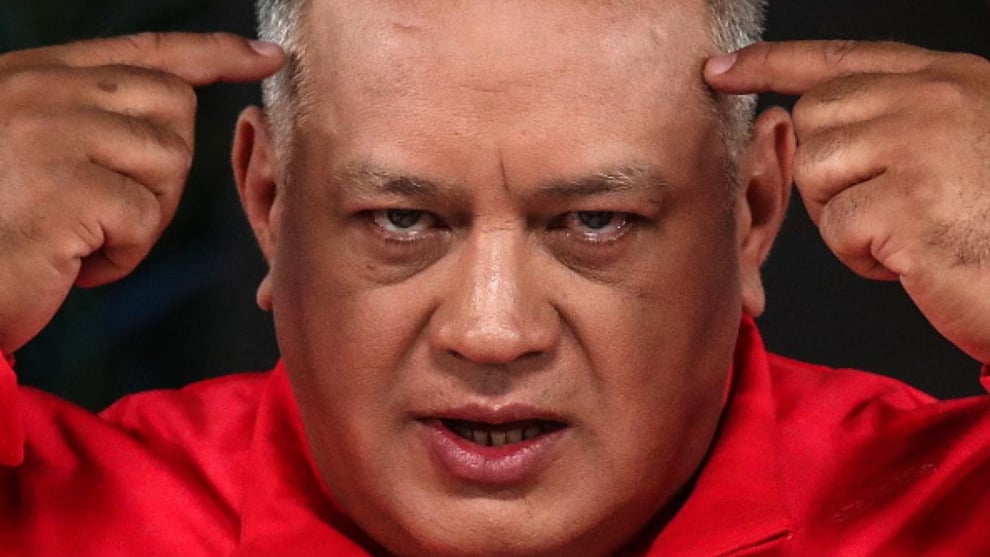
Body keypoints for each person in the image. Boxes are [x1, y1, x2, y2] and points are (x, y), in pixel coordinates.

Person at [0, 0, 988, 555]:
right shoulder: (57, 516)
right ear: (268, 202)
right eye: (401, 218)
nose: (492, 331)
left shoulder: (948, 508)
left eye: (595, 220)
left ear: (754, 210)